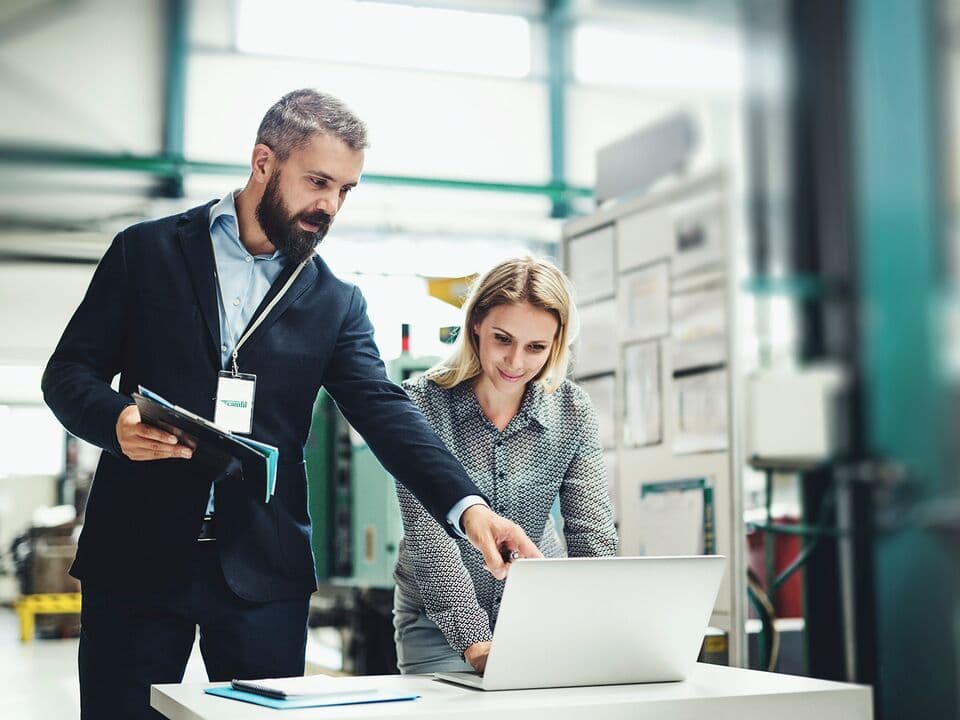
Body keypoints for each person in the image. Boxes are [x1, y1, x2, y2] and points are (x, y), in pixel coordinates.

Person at [41, 89, 539, 719]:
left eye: (345, 190)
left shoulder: (335, 300)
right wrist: (114, 422)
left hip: (261, 567)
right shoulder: (146, 253)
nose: (329, 205)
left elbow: (385, 412)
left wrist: (469, 509)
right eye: (319, 182)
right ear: (263, 163)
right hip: (137, 554)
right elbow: (68, 374)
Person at [392, 257, 619, 675]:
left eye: (536, 347)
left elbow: (592, 531)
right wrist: (478, 646)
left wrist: (596, 625)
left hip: (536, 612)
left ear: (557, 345)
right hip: (438, 621)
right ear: (476, 323)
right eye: (503, 339)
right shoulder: (420, 404)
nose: (515, 362)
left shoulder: (572, 411)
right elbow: (430, 541)